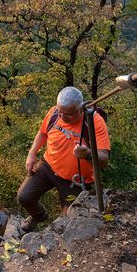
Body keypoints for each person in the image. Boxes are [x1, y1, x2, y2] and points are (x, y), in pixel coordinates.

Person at [17, 86, 110, 232]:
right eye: (60, 112)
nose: (61, 116)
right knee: (25, 197)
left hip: (75, 181)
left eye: (67, 114)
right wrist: (32, 153)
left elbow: (104, 160)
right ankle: (39, 216)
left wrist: (88, 154)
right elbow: (43, 133)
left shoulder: (93, 122)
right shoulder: (55, 112)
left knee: (67, 224)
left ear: (80, 110)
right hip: (48, 166)